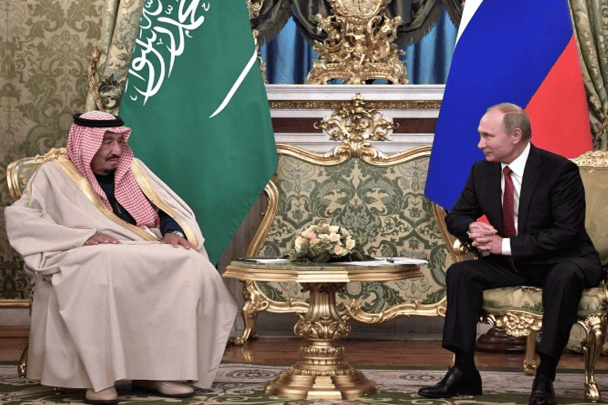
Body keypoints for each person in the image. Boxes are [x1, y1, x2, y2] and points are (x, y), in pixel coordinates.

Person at [5, 111, 239, 404]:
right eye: (107, 142)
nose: (116, 150)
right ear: (85, 143)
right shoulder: (54, 173)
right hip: (84, 252)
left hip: (140, 246)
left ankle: (160, 371)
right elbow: (23, 219)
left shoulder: (134, 169)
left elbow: (168, 208)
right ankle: (97, 377)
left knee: (189, 262)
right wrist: (80, 237)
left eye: (119, 141)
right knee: (103, 261)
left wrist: (172, 230)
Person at [417, 103, 603, 405]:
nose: (480, 144)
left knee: (564, 276)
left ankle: (545, 376)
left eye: (488, 136)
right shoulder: (481, 171)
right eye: (480, 135)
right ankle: (463, 370)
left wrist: (502, 246)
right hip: (515, 263)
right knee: (461, 273)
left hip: (562, 259)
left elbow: (566, 233)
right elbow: (457, 216)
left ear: (516, 135)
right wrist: (472, 227)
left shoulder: (559, 171)